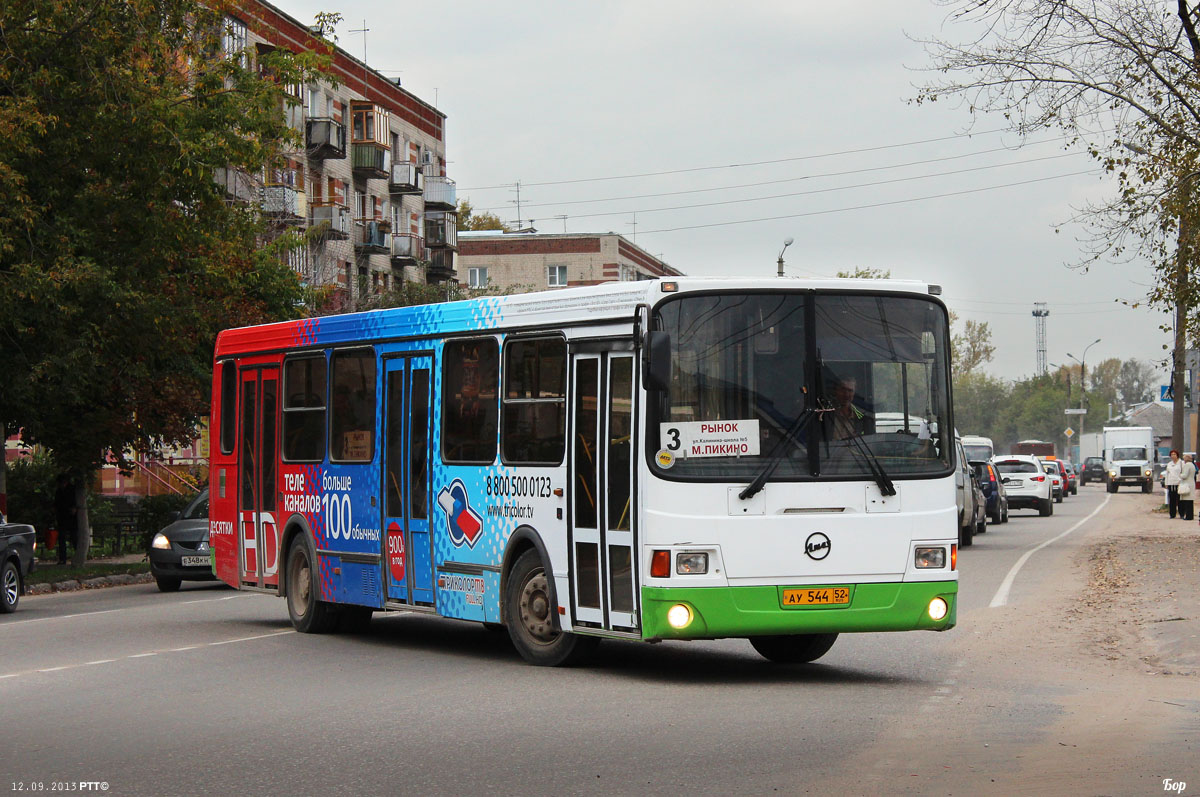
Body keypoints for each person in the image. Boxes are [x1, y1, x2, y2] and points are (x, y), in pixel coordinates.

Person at [825, 375, 870, 440]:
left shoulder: (863, 418)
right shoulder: (824, 415)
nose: (846, 395)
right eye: (843, 390)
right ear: (836, 390)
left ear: (854, 393)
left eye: (850, 391)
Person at [54, 473, 76, 565]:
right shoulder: (59, 491)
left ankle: (75, 556)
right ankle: (63, 559)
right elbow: (56, 503)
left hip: (70, 516)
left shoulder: (71, 490)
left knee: (74, 537)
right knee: (62, 538)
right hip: (63, 516)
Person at [1164, 449, 1182, 518]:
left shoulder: (1181, 463)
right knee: (1172, 499)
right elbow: (1167, 474)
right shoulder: (1169, 464)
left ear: (1177, 455)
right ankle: (1172, 514)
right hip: (1171, 483)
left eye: (1174, 454)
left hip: (1179, 483)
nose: (1173, 456)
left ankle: (1181, 513)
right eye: (1172, 454)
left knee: (1180, 499)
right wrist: (1166, 483)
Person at [1179, 453, 1196, 521]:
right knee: (1190, 502)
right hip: (1191, 483)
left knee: (1187, 501)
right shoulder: (1192, 465)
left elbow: (1185, 475)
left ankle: (1188, 516)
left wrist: (1180, 475)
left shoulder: (1187, 465)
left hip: (1187, 484)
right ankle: (1191, 516)